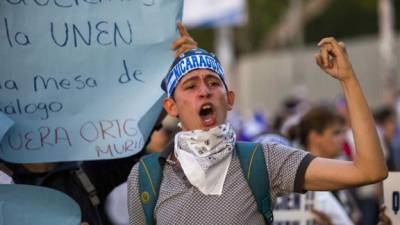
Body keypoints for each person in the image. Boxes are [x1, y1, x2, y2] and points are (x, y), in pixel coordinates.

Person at [127, 24, 388, 224]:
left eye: (213, 82)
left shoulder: (262, 161)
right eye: (191, 86)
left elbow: (368, 171)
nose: (204, 91)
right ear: (171, 108)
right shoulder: (147, 178)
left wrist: (348, 80)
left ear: (229, 99)